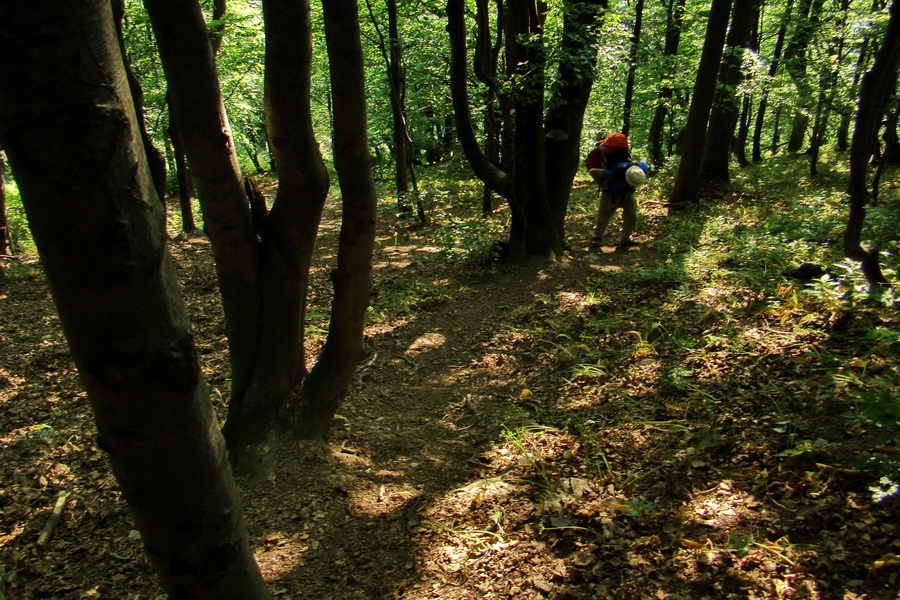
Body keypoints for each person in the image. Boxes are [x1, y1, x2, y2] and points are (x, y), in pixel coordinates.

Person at [585, 132, 648, 250]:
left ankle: (625, 240)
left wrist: (644, 158)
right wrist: (601, 185)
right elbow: (593, 170)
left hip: (628, 194)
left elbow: (644, 163)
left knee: (631, 217)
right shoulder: (614, 173)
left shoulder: (639, 170)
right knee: (604, 217)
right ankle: (596, 238)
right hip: (610, 194)